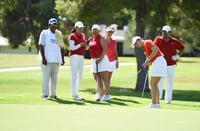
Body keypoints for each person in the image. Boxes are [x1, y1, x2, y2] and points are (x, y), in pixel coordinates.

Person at [131, 36, 167, 108]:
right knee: (154, 84)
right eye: (135, 45)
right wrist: (146, 63)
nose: (136, 45)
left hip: (159, 61)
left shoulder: (147, 42)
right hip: (159, 62)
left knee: (152, 83)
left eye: (136, 43)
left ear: (140, 40)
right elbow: (150, 59)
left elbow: (155, 51)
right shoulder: (145, 48)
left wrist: (148, 60)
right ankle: (157, 104)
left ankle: (153, 104)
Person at [154, 25, 185, 104]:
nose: (164, 34)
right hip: (160, 64)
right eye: (163, 32)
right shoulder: (158, 39)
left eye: (166, 32)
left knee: (169, 82)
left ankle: (168, 99)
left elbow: (182, 48)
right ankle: (159, 97)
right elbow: (153, 49)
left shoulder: (174, 41)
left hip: (171, 64)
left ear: (170, 33)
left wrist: (177, 56)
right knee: (159, 81)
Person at [38, 18, 65, 99]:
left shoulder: (59, 34)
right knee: (45, 77)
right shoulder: (44, 33)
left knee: (54, 78)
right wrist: (43, 58)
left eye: (55, 24)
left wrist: (62, 59)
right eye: (52, 24)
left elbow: (62, 47)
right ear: (49, 25)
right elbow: (41, 45)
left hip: (56, 60)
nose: (54, 26)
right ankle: (45, 94)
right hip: (47, 60)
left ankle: (53, 94)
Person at [88, 24, 111, 101]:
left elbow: (105, 49)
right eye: (93, 30)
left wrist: (100, 59)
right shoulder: (90, 39)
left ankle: (107, 95)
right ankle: (100, 94)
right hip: (94, 60)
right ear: (91, 30)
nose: (95, 31)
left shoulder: (101, 38)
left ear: (99, 31)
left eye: (96, 30)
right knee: (97, 78)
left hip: (102, 59)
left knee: (105, 78)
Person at [68, 21, 87, 101]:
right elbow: (72, 48)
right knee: (74, 76)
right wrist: (80, 45)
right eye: (79, 28)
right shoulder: (72, 36)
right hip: (74, 56)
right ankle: (74, 94)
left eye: (82, 28)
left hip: (81, 57)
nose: (81, 30)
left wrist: (86, 45)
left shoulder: (83, 35)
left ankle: (76, 93)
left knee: (80, 76)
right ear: (75, 28)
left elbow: (85, 47)